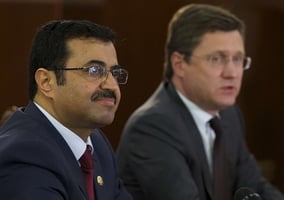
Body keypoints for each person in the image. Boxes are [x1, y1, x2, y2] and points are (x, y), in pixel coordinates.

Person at [116, 4, 284, 200]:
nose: (232, 73)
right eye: (216, 59)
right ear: (179, 64)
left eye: (237, 59)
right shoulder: (152, 127)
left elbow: (255, 185)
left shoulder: (228, 114)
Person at [0, 20, 132, 200]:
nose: (111, 85)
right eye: (94, 70)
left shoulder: (96, 144)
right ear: (46, 82)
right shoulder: (22, 157)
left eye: (115, 73)